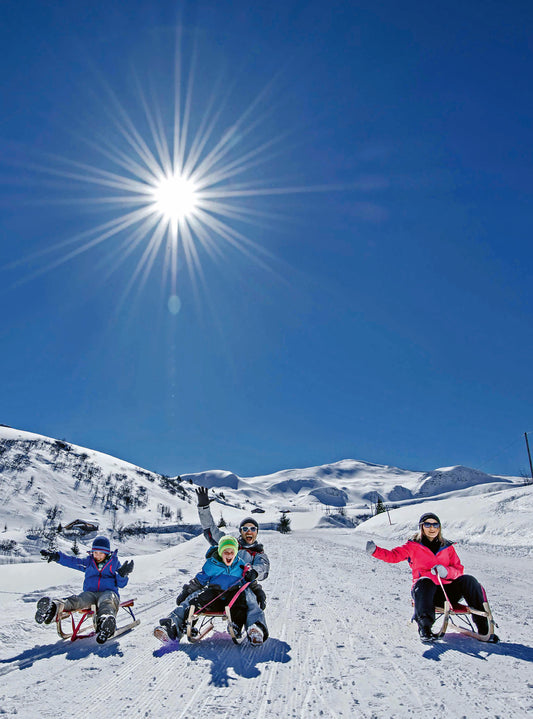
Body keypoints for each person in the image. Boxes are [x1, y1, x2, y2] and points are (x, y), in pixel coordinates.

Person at [366, 512, 499, 643]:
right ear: (421, 527)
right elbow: (393, 556)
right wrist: (375, 551)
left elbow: (459, 570)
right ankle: (425, 628)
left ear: (439, 528)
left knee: (469, 580)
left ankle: (483, 628)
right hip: (425, 593)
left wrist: (446, 572)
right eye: (427, 524)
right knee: (425, 582)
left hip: (447, 593)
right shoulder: (413, 546)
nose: (432, 528)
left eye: (435, 525)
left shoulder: (447, 547)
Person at [155, 535, 264, 645]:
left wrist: (258, 591)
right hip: (214, 596)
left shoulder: (241, 565)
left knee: (243, 600)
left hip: (233, 599)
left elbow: (250, 582)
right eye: (226, 551)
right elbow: (199, 581)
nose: (229, 554)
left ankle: (246, 628)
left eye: (232, 552)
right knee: (194, 601)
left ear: (236, 553)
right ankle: (176, 627)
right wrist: (187, 590)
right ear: (221, 552)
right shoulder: (212, 564)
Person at [192, 486, 269, 641]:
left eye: (253, 529)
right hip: (219, 586)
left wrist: (254, 572)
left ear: (256, 532)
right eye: (245, 528)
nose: (249, 531)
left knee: (250, 596)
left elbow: (264, 568)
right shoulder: (228, 544)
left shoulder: (258, 553)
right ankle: (177, 624)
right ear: (241, 531)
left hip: (244, 586)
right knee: (195, 594)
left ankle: (256, 628)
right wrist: (203, 507)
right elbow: (210, 529)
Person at [35, 535, 134, 644]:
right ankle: (54, 607)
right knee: (77, 600)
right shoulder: (89, 562)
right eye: (95, 553)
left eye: (101, 553)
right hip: (90, 593)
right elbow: (72, 561)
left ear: (107, 553)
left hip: (108, 592)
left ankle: (105, 622)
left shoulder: (114, 563)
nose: (98, 556)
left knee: (107, 601)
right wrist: (57, 557)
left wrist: (122, 575)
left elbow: (121, 584)